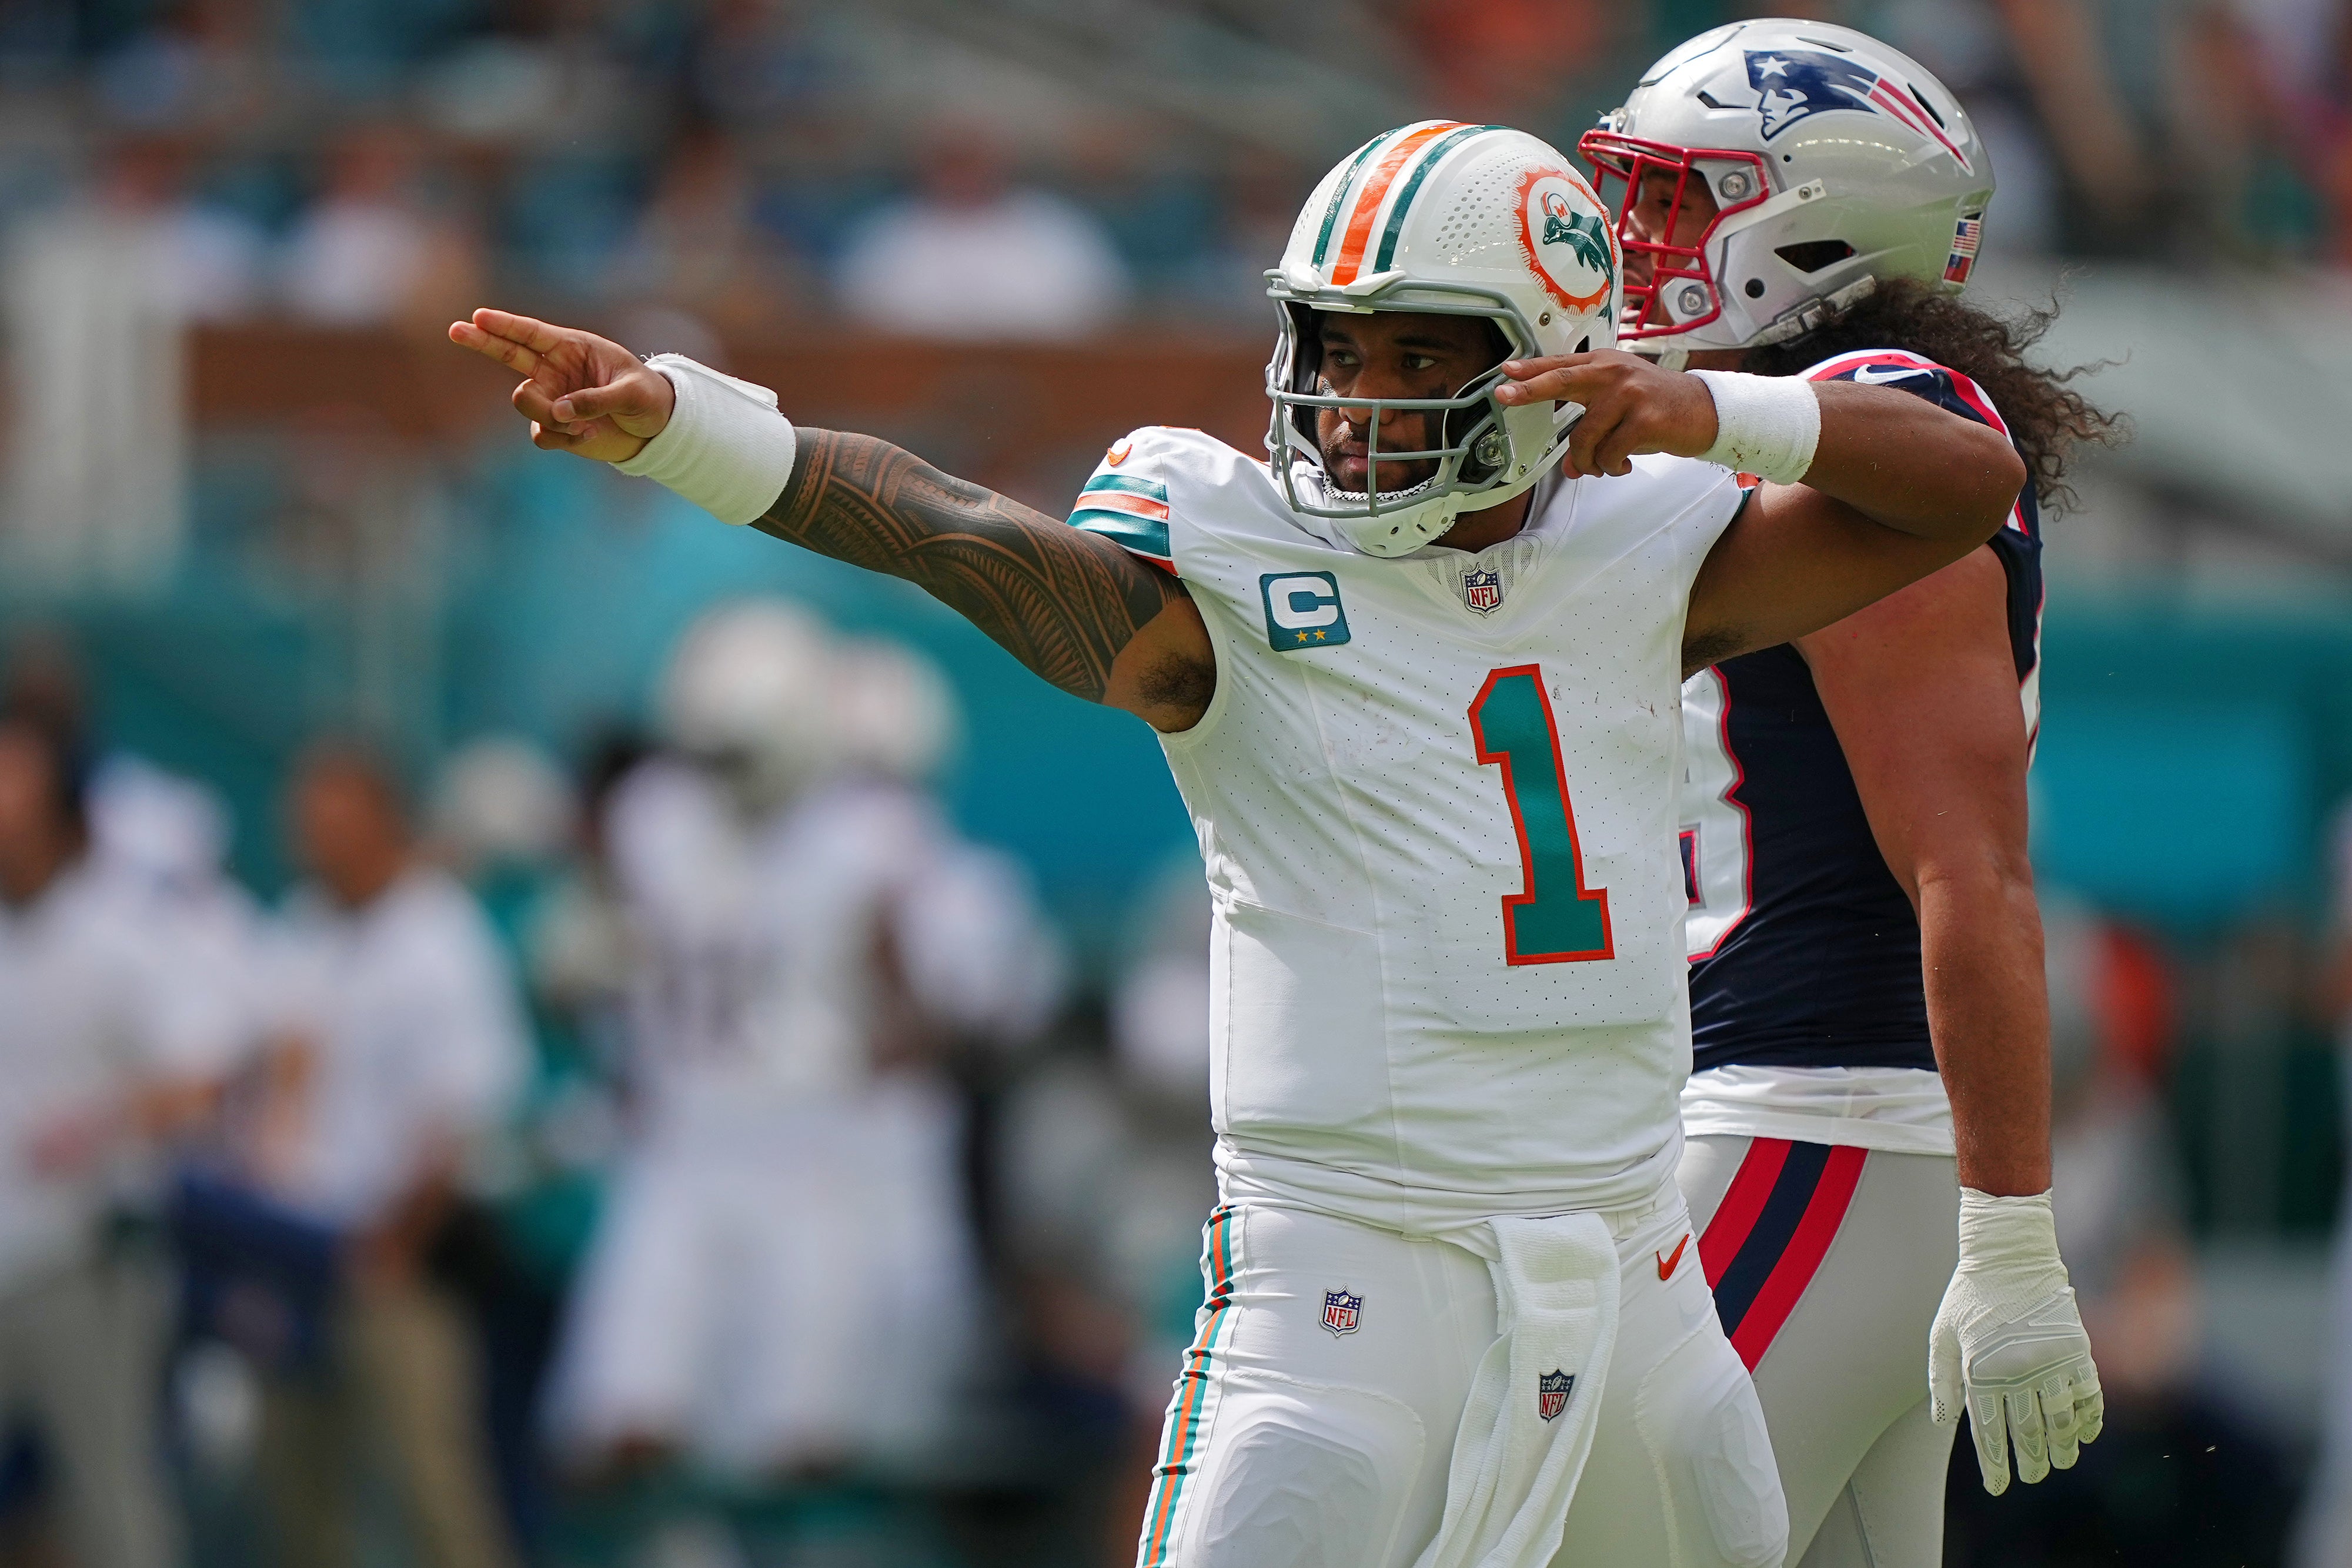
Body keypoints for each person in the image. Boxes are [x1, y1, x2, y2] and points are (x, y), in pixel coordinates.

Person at [452, 116, 2025, 1566]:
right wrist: (686, 434)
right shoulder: (1234, 566)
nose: (1359, 400)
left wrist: (1714, 407)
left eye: (1421, 355)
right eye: (1337, 350)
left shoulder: (1650, 543)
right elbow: (955, 528)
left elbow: (1970, 486)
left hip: (1634, 1281)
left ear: (1553, 366)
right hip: (1345, 1289)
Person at [1566, 19, 2114, 1565]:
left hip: (1816, 1119)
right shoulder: (1769, 433)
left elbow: (1971, 869)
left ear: (1803, 221)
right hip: (1825, 1132)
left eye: (1678, 198)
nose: (1633, 236)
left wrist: (2015, 1225)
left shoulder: (1872, 412)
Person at [246, 743, 528, 1568]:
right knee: (297, 1492)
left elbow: (461, 1116)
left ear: (383, 824)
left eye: (333, 820)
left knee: (435, 1492)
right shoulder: (299, 929)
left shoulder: (441, 938)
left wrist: (398, 1241)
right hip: (296, 1251)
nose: (314, 838)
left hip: (399, 1261)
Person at [0, 708, 243, 1568]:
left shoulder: (120, 939)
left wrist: (102, 1124)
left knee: (111, 1504)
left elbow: (203, 1077)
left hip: (84, 1264)